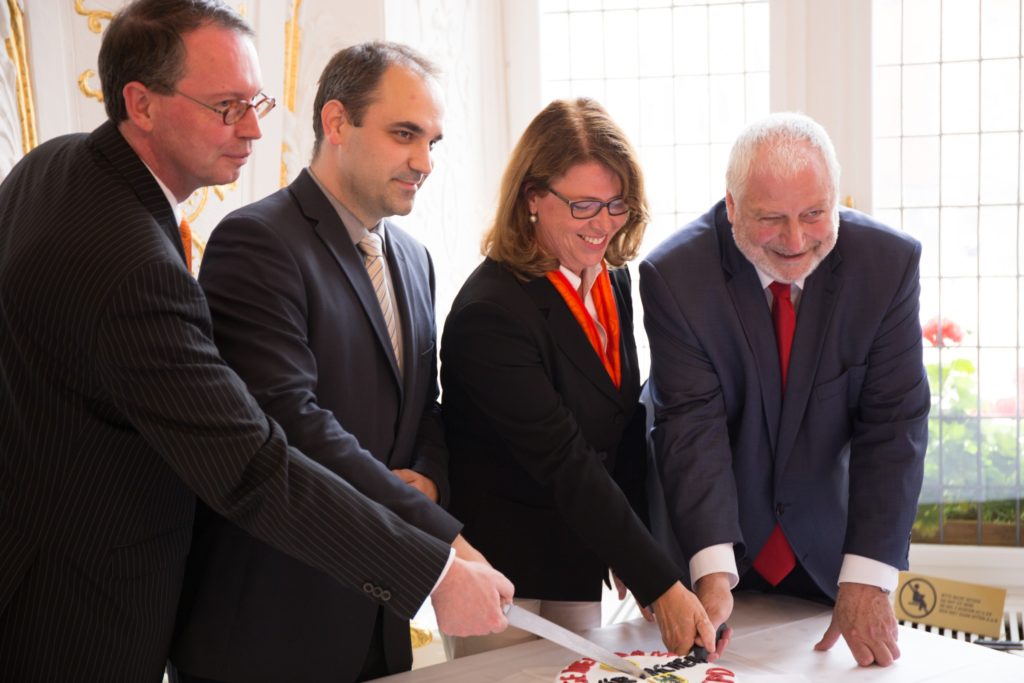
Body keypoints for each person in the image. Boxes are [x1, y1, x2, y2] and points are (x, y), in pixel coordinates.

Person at [0, 2, 511, 681]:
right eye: (227, 106)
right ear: (141, 104)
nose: (253, 127)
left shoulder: (57, 164)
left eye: (256, 100)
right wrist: (430, 569)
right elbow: (250, 462)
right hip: (79, 602)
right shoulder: (138, 265)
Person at [169, 42, 478, 683]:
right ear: (336, 123)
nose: (424, 162)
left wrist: (428, 475)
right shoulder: (256, 241)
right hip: (273, 626)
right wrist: (435, 532)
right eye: (404, 135)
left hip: (380, 617)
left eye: (433, 142)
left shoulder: (415, 259)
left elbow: (425, 408)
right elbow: (290, 421)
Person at [640, 112, 929, 668]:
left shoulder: (887, 265)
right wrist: (714, 574)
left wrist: (867, 577)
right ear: (731, 207)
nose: (797, 241)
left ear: (836, 199)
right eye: (771, 219)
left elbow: (894, 424)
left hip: (829, 554)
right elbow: (690, 426)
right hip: (715, 547)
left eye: (815, 214)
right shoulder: (676, 276)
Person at [440, 98, 721, 659]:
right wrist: (658, 580)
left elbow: (624, 422)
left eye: (617, 204)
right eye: (585, 205)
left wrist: (633, 549)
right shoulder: (490, 312)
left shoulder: (610, 280)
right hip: (504, 574)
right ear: (533, 199)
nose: (604, 224)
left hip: (578, 552)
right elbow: (564, 457)